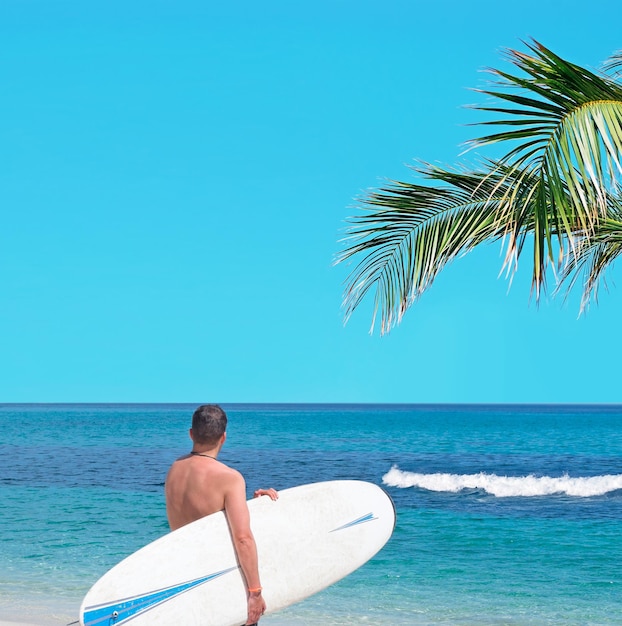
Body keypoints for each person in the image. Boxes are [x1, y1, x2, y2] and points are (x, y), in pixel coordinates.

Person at [165, 404, 278, 626]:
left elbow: (201, 516)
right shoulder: (230, 478)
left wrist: (256, 508)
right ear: (223, 438)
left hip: (184, 583)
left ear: (191, 434)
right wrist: (255, 593)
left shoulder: (174, 469)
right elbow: (243, 538)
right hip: (219, 587)